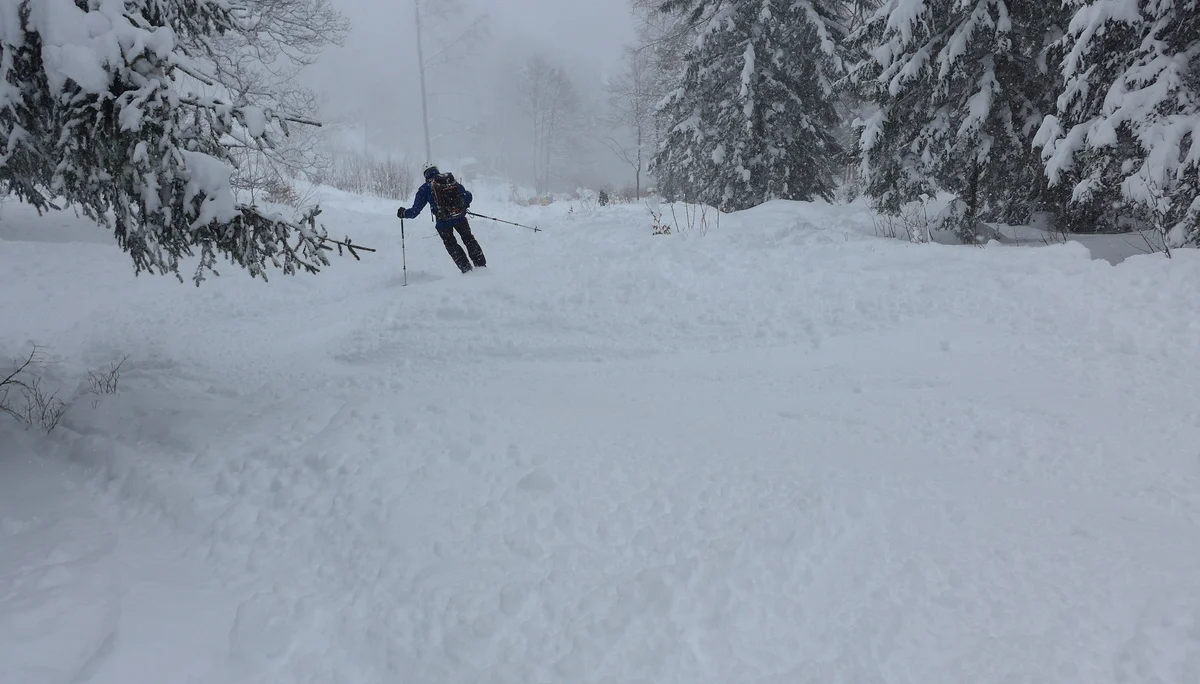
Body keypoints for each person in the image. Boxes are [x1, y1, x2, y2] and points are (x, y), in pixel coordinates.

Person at [398, 164, 487, 273]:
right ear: (437, 170)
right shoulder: (450, 181)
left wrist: (404, 213)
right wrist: (462, 204)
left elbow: (414, 212)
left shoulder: (425, 188)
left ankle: (466, 269)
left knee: (451, 245)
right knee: (469, 239)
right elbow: (467, 197)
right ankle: (481, 266)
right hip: (460, 218)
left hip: (443, 223)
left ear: (425, 174)